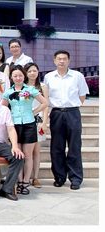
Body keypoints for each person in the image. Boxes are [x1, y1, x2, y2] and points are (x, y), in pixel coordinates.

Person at [44, 50, 89, 190]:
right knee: (57, 147)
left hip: (72, 113)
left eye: (64, 59)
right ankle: (59, 177)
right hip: (56, 113)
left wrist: (73, 106)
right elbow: (46, 97)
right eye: (59, 59)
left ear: (69, 60)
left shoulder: (77, 76)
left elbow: (82, 96)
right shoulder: (49, 77)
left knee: (74, 146)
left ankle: (75, 179)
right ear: (54, 60)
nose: (61, 61)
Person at [2, 65, 47, 195]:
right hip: (14, 125)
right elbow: (3, 109)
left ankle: (25, 182)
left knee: (28, 155)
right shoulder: (8, 92)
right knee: (18, 155)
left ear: (24, 76)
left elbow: (45, 103)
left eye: (20, 75)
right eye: (15, 76)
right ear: (11, 77)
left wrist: (34, 112)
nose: (18, 78)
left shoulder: (31, 89)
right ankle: (19, 181)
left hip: (29, 124)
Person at [25, 62, 49, 188]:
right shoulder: (22, 86)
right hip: (25, 121)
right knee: (26, 151)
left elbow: (46, 105)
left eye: (34, 70)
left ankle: (35, 177)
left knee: (36, 151)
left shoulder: (42, 86)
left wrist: (44, 122)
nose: (32, 73)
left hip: (38, 121)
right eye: (29, 71)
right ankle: (25, 178)